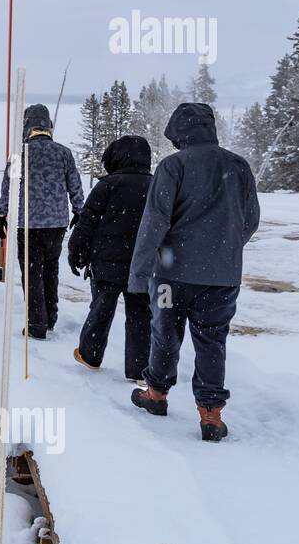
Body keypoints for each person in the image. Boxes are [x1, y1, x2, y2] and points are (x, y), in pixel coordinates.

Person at [128, 104, 260, 442]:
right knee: (212, 340)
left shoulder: (173, 166)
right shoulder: (238, 165)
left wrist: (140, 273)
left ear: (179, 132)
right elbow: (250, 220)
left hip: (171, 274)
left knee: (166, 333)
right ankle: (211, 415)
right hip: (221, 277)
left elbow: (154, 221)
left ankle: (156, 394)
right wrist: (224, 249)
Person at [68, 135, 153, 378]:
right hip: (142, 263)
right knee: (140, 314)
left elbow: (87, 222)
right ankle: (139, 368)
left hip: (106, 261)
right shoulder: (157, 185)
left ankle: (90, 354)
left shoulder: (107, 185)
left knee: (101, 307)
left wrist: (76, 252)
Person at [0, 104, 84, 339]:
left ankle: (36, 322)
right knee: (51, 270)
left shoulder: (20, 155)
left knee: (32, 273)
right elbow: (75, 185)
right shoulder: (63, 153)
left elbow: (8, 188)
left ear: (27, 126)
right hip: (57, 224)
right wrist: (79, 209)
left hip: (29, 223)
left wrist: (0, 214)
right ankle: (50, 316)